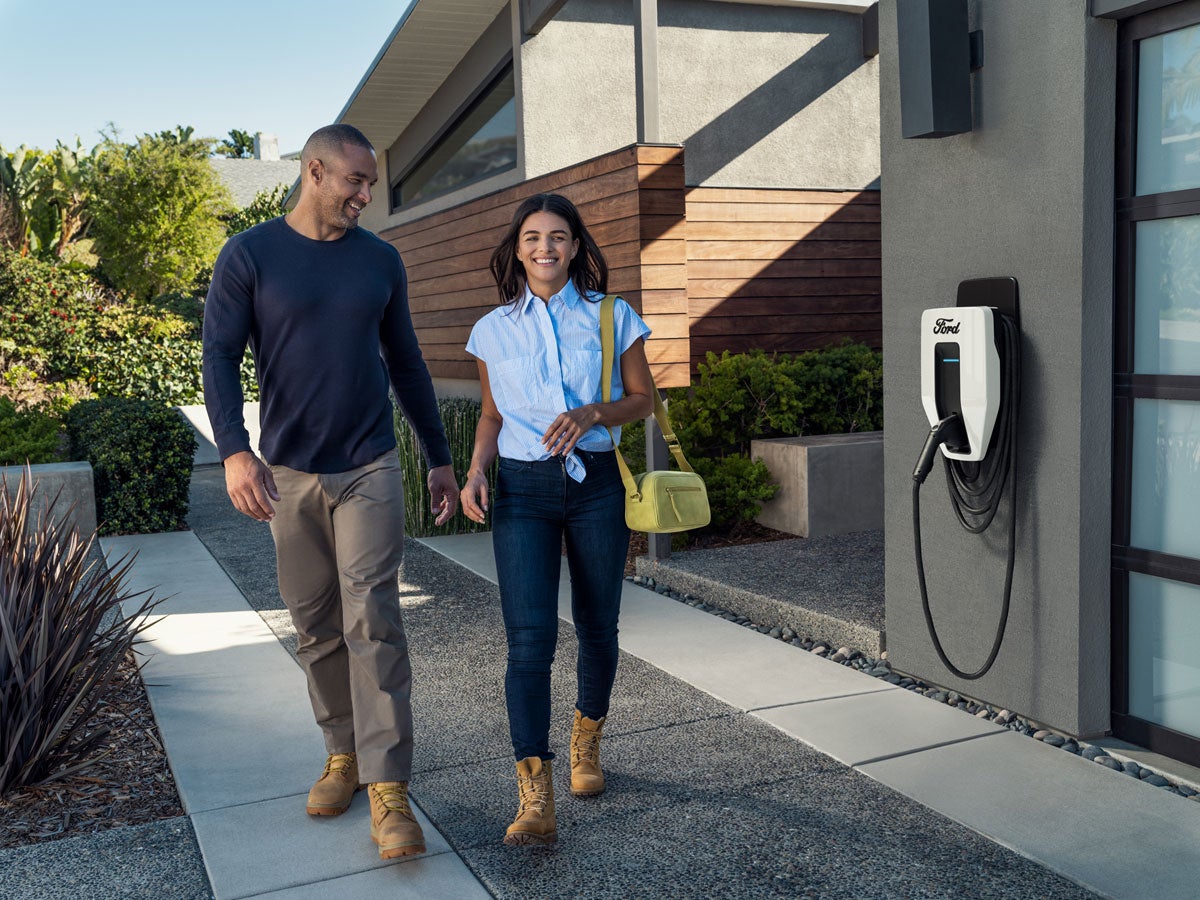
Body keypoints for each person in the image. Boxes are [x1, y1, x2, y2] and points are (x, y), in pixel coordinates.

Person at [201, 123, 459, 861]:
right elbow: (218, 354)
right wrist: (233, 452)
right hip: (286, 473)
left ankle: (388, 789)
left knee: (372, 618)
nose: (366, 195)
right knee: (314, 622)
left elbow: (406, 361)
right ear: (314, 172)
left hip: (368, 463)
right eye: (355, 181)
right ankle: (342, 755)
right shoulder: (249, 255)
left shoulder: (380, 260)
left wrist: (437, 458)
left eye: (370, 183)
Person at [460, 193, 654, 846]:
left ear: (576, 247)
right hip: (521, 492)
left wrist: (594, 414)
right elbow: (491, 415)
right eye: (533, 237)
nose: (546, 247)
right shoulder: (492, 330)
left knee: (599, 625)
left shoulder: (612, 315)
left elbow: (642, 400)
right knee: (530, 642)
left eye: (559, 236)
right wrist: (475, 470)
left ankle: (586, 743)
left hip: (596, 486)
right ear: (517, 248)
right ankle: (534, 796)